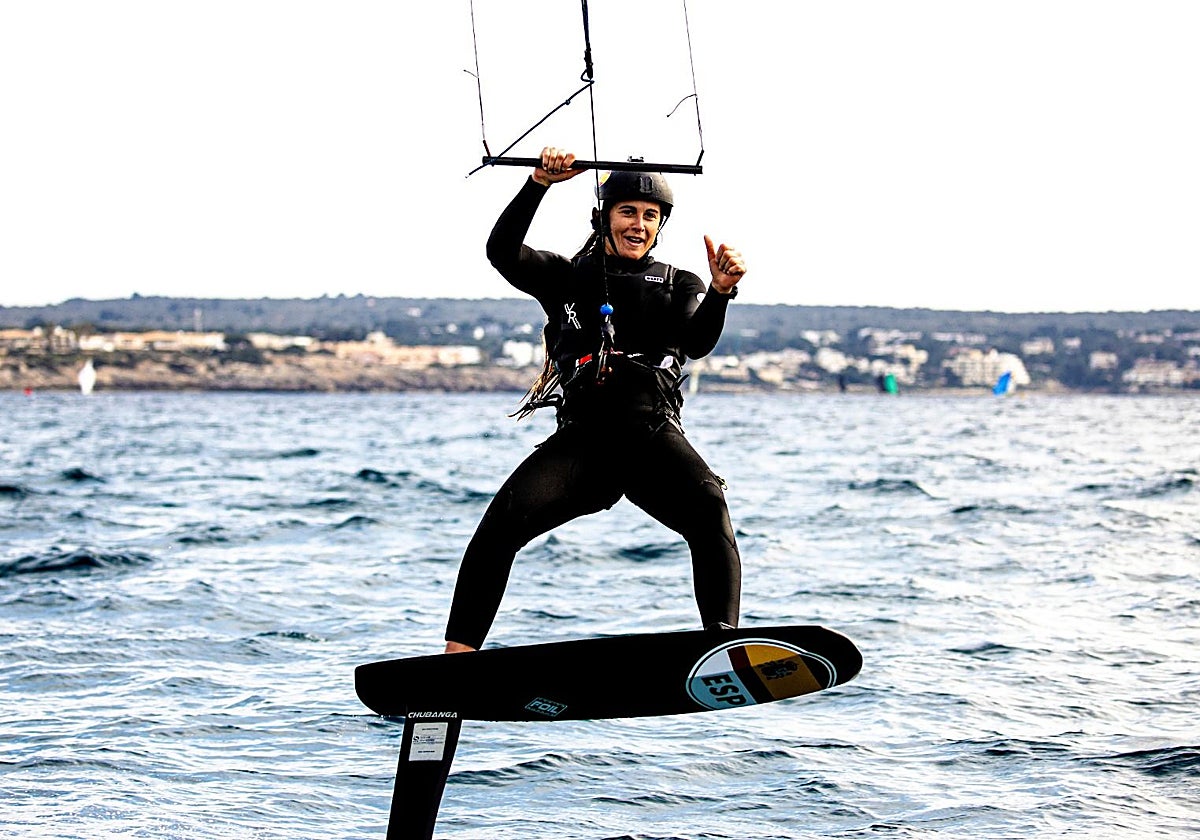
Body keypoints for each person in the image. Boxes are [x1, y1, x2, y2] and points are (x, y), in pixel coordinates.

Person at [443, 146, 747, 653]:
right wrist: (538, 183)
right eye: (627, 211)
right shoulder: (566, 276)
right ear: (604, 216)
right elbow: (502, 251)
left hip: (652, 438)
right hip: (583, 445)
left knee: (711, 511)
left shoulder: (681, 283)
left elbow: (695, 343)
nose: (638, 224)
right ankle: (455, 661)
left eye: (650, 216)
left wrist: (719, 293)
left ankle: (722, 648)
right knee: (498, 530)